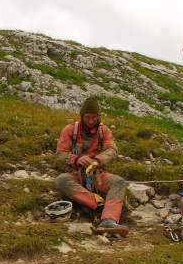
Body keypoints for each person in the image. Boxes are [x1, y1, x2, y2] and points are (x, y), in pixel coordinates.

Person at [55, 97, 129, 235]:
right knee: (61, 180)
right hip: (75, 175)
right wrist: (76, 159)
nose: (90, 121)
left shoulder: (104, 131)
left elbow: (112, 150)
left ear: (98, 116)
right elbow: (60, 153)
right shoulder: (70, 130)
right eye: (88, 117)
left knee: (119, 182)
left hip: (98, 175)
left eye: (94, 117)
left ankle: (108, 220)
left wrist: (98, 160)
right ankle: (99, 204)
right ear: (82, 116)